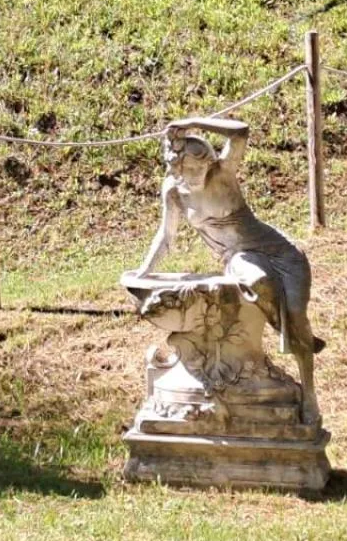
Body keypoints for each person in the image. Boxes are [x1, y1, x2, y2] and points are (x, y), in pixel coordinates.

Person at [131, 116, 322, 424]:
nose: (196, 175)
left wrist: (192, 122)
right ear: (176, 168)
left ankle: (308, 390)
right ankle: (279, 326)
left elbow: (241, 132)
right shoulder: (174, 192)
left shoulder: (222, 173)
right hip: (240, 255)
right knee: (259, 281)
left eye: (201, 168)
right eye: (188, 170)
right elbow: (165, 236)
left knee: (299, 318)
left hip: (281, 251)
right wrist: (143, 271)